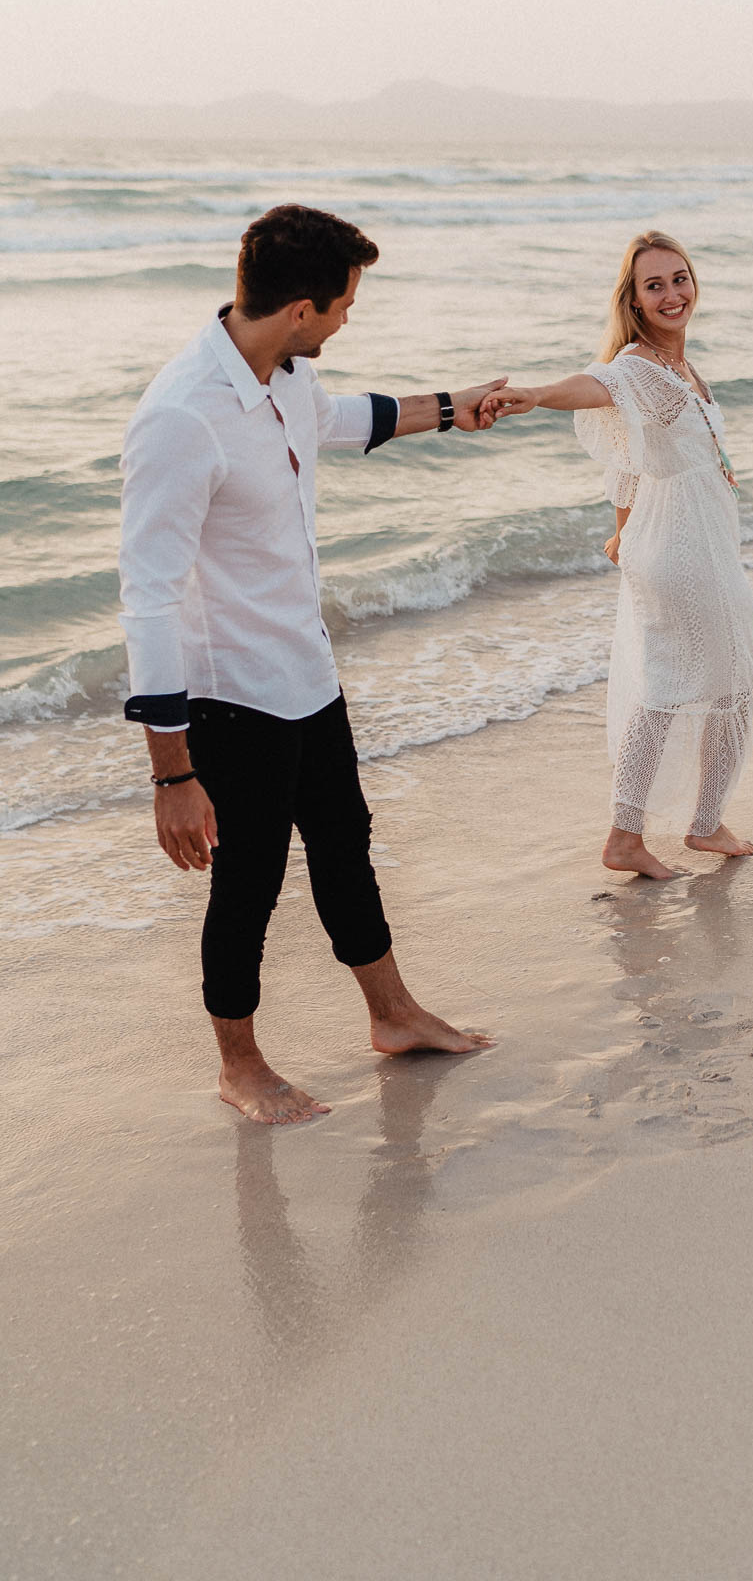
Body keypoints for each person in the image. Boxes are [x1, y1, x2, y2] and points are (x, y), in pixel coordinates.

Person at [119, 204, 506, 1124]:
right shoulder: (181, 417)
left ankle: (393, 1014)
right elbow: (148, 597)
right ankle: (239, 1066)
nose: (346, 320)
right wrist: (171, 773)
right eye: (343, 305)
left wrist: (458, 408)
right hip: (229, 698)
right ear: (301, 307)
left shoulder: (283, 373)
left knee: (346, 847)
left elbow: (346, 417)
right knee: (246, 886)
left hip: (306, 673)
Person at [482, 230, 753, 879]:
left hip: (686, 542)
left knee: (711, 685)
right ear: (632, 301)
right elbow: (595, 385)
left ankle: (687, 825)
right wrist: (536, 395)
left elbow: (629, 461)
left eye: (679, 278)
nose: (671, 294)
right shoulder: (638, 367)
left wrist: (620, 526)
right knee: (704, 687)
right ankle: (641, 834)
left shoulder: (679, 368)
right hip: (681, 550)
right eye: (654, 285)